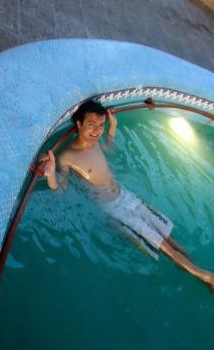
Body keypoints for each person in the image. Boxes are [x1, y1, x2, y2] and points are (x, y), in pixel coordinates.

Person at [40, 100, 214, 290]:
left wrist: (112, 127)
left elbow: (110, 148)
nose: (97, 131)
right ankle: (206, 277)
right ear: (79, 124)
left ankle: (197, 269)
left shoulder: (96, 142)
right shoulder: (68, 157)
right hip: (112, 209)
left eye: (100, 125)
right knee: (163, 247)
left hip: (125, 195)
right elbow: (60, 191)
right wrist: (50, 174)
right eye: (91, 125)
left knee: (169, 239)